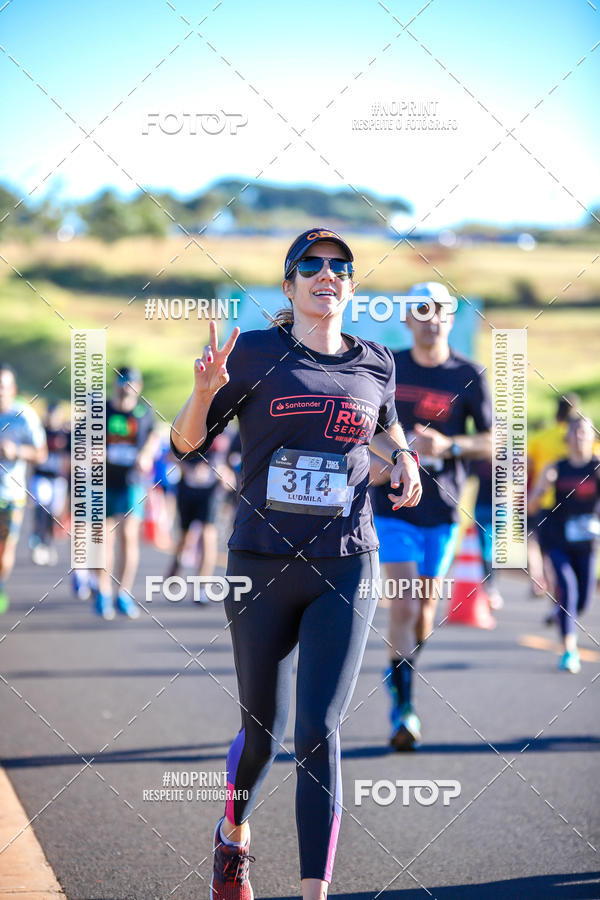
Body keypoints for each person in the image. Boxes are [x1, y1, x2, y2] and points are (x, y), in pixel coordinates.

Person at [170, 228, 421, 900]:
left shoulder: (376, 361)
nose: (326, 273)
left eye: (340, 266)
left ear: (351, 286)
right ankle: (232, 837)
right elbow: (186, 446)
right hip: (260, 563)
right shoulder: (252, 353)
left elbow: (386, 420)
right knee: (263, 735)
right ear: (289, 284)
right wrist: (203, 392)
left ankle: (315, 893)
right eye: (310, 265)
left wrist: (404, 456)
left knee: (319, 730)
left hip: (346, 561)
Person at [369, 282, 492, 751]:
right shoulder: (388, 366)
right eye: (421, 310)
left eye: (440, 311)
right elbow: (364, 425)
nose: (431, 319)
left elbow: (494, 440)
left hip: (442, 510)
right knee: (402, 604)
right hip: (392, 505)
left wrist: (449, 446)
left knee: (424, 612)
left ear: (451, 318)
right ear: (407, 319)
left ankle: (401, 670)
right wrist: (386, 459)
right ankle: (404, 708)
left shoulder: (468, 374)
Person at [528, 415, 600, 673]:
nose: (579, 436)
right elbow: (531, 505)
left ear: (593, 437)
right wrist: (541, 489)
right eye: (575, 432)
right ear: (567, 437)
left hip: (587, 542)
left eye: (584, 432)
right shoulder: (556, 467)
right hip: (558, 538)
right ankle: (570, 650)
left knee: (584, 601)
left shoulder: (597, 467)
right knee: (568, 588)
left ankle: (560, 613)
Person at [94, 367, 156, 620]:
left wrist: (146, 454)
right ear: (116, 384)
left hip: (132, 482)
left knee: (129, 535)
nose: (127, 387)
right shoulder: (103, 410)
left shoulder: (144, 412)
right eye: (123, 382)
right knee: (103, 537)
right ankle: (103, 591)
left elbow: (153, 436)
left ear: (138, 387)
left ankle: (124, 592)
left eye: (132, 383)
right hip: (103, 481)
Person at [0, 365, 47, 614]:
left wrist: (16, 451)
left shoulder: (24, 415)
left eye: (3, 387)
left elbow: (42, 453)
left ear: (13, 389)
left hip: (11, 495)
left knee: (5, 549)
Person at [166, 431, 233, 603]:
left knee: (207, 535)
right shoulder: (189, 425)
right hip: (187, 490)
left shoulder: (225, 433)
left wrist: (222, 472)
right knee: (184, 537)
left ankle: (202, 587)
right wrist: (187, 469)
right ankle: (176, 563)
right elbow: (170, 455)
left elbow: (230, 464)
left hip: (209, 493)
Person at [527, 394, 580, 600]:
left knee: (541, 546)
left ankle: (544, 584)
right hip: (578, 502)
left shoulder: (542, 437)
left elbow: (526, 466)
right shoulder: (583, 437)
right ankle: (565, 595)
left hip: (545, 501)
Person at [30, 402, 70, 566]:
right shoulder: (40, 432)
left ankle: (48, 543)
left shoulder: (65, 434)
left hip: (58, 479)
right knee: (42, 508)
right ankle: (37, 540)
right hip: (42, 476)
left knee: (54, 514)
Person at [470, 457, 503, 610]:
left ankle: (491, 587)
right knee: (488, 549)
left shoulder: (507, 457)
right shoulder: (479, 459)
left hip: (499, 508)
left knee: (493, 548)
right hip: (483, 508)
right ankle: (490, 587)